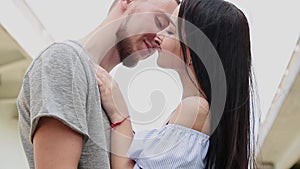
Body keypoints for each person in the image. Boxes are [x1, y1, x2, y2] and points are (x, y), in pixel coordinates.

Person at [94, 0, 257, 168]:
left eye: (170, 31)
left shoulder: (194, 110)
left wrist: (119, 114)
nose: (158, 36)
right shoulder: (201, 113)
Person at [16, 0, 179, 168]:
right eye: (159, 22)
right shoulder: (65, 61)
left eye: (169, 32)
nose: (161, 39)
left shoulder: (111, 97)